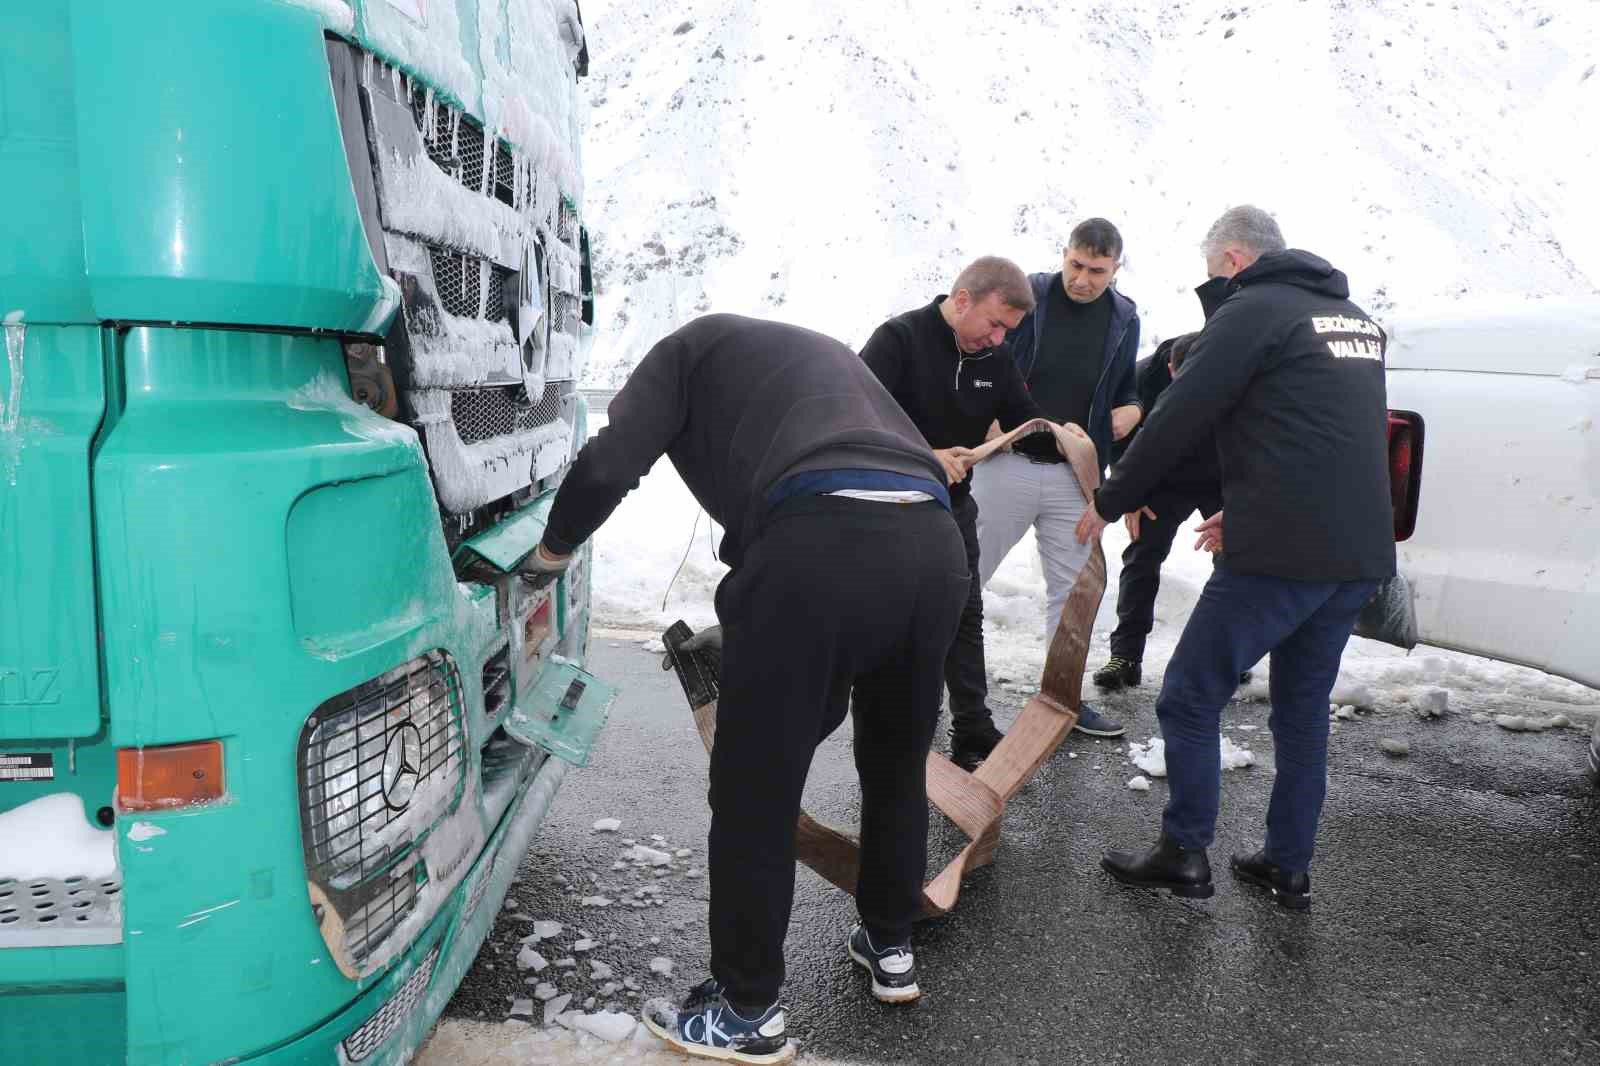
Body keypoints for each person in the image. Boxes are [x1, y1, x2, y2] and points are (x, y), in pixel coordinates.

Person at [525, 315, 970, 1063]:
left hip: (819, 547)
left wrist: (553, 549)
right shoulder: (820, 358)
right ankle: (890, 944)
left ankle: (744, 1008)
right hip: (933, 546)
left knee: (753, 789)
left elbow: (610, 463)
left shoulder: (684, 353)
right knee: (895, 762)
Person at [1077, 206, 1395, 910]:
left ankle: (1184, 853)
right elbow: (1326, 436)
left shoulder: (1252, 311)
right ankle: (1288, 864)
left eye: (1212, 269)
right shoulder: (1352, 319)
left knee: (1190, 696)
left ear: (1232, 260)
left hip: (1283, 556)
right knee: (1303, 712)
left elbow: (1179, 412)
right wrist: (1246, 508)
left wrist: (1110, 496)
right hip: (1356, 553)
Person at [859, 256, 1045, 771]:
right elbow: (857, 422)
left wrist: (1060, 435)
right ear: (962, 300)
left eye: (1008, 331)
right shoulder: (897, 341)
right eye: (994, 324)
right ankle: (890, 725)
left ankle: (973, 726)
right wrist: (926, 457)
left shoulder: (995, 360)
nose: (998, 340)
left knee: (965, 610)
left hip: (953, 507)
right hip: (891, 505)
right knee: (898, 615)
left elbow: (1022, 420)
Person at [970, 219, 1144, 738]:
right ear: (1063, 254)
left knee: (1072, 594)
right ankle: (933, 682)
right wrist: (984, 414)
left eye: (1096, 270)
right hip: (1009, 463)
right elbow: (982, 352)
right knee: (963, 576)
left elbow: (1129, 386)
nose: (1083, 279)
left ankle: (1063, 700)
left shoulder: (1124, 317)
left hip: (1075, 474)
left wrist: (1133, 409)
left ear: (1116, 269)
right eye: (1076, 265)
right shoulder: (1030, 296)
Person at [1092, 275, 1231, 692]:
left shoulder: (1226, 367)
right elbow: (1114, 440)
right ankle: (1125, 657)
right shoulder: (1138, 381)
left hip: (1218, 471)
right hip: (1160, 475)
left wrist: (1245, 500)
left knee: (1236, 556)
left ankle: (1227, 655)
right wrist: (1128, 494)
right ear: (1170, 369)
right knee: (1143, 554)